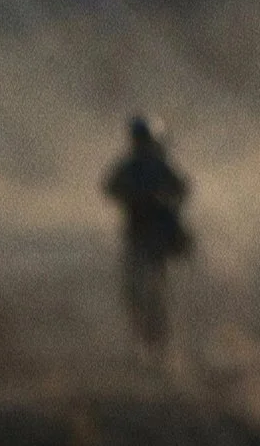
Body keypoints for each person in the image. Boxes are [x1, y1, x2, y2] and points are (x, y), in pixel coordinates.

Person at [102, 115, 193, 362]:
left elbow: (181, 188)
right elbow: (110, 188)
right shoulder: (138, 165)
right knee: (137, 289)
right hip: (140, 235)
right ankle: (148, 339)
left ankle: (155, 340)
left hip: (153, 236)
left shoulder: (153, 165)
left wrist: (156, 200)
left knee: (150, 288)